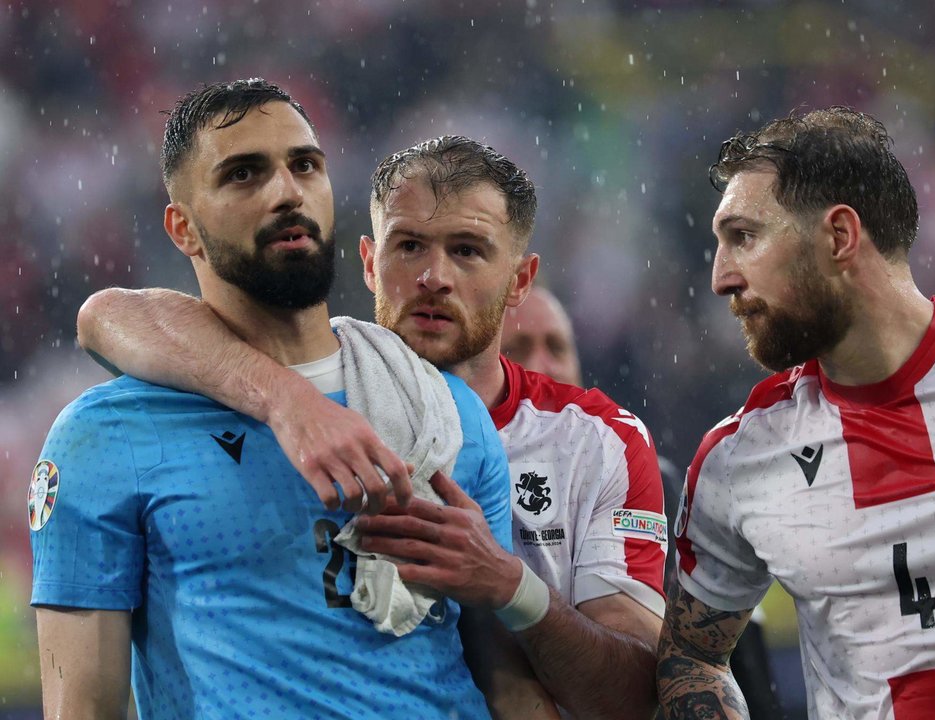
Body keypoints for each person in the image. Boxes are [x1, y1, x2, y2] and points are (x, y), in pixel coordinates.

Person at [78, 136, 668, 718]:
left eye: (467, 250)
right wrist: (288, 401)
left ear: (520, 279)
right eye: (409, 246)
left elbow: (635, 698)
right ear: (368, 261)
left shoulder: (596, 442)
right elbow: (109, 314)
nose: (434, 276)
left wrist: (512, 586)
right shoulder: (306, 411)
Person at [30, 79, 529, 720]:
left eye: (305, 166)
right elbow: (83, 711)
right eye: (244, 174)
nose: (287, 192)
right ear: (183, 228)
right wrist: (287, 402)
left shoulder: (443, 410)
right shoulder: (107, 436)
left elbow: (507, 681)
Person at [659, 106, 935, 719]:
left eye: (743, 237)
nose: (722, 278)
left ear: (838, 237)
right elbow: (691, 657)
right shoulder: (739, 459)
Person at [502, 286, 784, 719]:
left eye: (556, 346)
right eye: (520, 348)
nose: (544, 364)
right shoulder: (466, 471)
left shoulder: (667, 488)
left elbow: (738, 661)